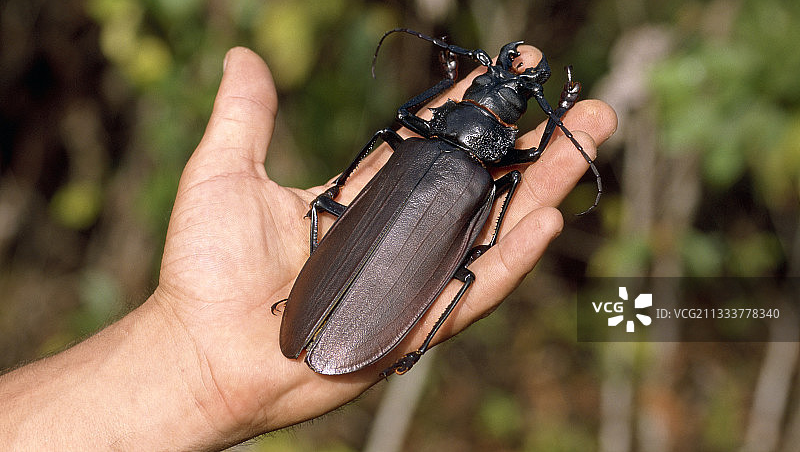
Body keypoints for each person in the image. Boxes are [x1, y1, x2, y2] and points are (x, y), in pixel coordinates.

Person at [0, 46, 617, 450]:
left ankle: (370, 315)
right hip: (445, 204)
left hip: (418, 205)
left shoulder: (421, 143)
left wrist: (450, 84)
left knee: (398, 217)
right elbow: (526, 164)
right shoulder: (489, 175)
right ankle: (394, 336)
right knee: (467, 275)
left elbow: (407, 117)